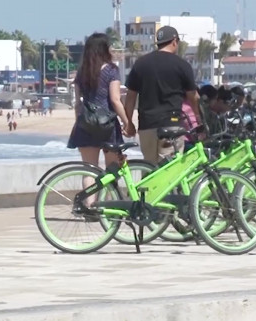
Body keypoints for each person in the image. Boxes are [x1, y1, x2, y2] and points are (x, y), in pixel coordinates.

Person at [67, 33, 130, 204]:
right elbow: (115, 100)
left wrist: (78, 122)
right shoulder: (111, 70)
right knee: (112, 169)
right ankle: (108, 205)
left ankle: (90, 207)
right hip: (107, 125)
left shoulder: (81, 72)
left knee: (89, 170)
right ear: (104, 50)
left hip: (86, 124)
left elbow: (78, 104)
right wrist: (127, 122)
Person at [124, 26, 200, 164]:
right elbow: (193, 96)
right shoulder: (182, 65)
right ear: (174, 41)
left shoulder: (141, 64)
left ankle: (145, 186)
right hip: (172, 124)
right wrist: (198, 116)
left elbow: (130, 97)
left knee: (149, 168)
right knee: (170, 171)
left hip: (146, 125)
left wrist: (129, 123)